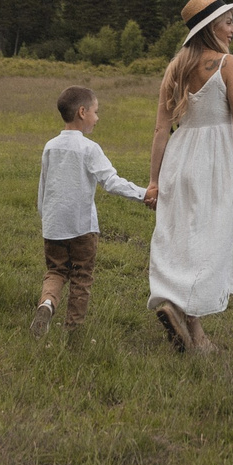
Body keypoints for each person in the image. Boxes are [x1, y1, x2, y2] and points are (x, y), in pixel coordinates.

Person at [145, 0, 233, 354]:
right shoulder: (229, 64)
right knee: (212, 238)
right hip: (214, 161)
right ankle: (185, 311)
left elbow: (161, 130)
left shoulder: (175, 67)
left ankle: (191, 328)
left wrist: (153, 180)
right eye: (228, 22)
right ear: (212, 27)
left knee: (182, 235)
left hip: (180, 158)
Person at [33, 85, 150, 347]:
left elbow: (43, 185)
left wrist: (45, 217)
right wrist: (145, 194)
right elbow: (111, 182)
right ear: (82, 112)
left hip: (53, 226)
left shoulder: (50, 146)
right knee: (81, 277)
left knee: (55, 271)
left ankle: (48, 304)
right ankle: (72, 334)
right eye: (96, 112)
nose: (98, 118)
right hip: (82, 227)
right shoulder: (89, 149)